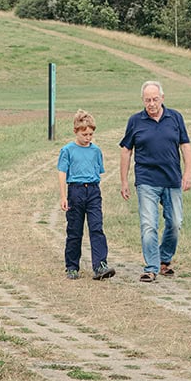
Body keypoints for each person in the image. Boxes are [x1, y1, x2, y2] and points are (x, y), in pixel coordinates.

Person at [119, 80, 191, 283]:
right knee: (149, 224)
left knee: (175, 222)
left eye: (154, 99)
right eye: (147, 100)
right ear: (142, 101)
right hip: (146, 181)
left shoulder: (175, 117)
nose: (151, 104)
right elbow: (126, 151)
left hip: (171, 179)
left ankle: (164, 259)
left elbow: (185, 145)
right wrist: (124, 181)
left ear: (162, 98)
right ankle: (151, 267)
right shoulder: (135, 121)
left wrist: (187, 173)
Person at [56, 109, 115, 281]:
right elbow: (62, 173)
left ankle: (100, 265)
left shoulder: (96, 151)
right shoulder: (67, 150)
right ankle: (72, 266)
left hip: (93, 191)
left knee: (96, 227)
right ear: (76, 132)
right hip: (76, 191)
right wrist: (63, 196)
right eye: (84, 134)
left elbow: (99, 171)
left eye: (90, 134)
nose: (88, 138)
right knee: (75, 230)